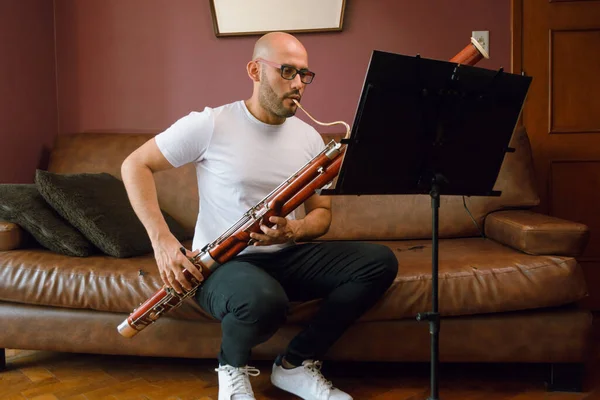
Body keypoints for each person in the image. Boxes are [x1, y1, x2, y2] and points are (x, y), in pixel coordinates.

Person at [121, 31, 398, 400]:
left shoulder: (310, 139)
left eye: (304, 75)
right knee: (264, 301)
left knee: (378, 262)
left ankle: (296, 364)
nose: (299, 84)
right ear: (255, 70)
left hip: (286, 256)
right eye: (287, 71)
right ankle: (231, 371)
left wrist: (293, 230)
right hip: (221, 267)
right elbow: (134, 164)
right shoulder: (211, 124)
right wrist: (163, 242)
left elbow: (322, 216)